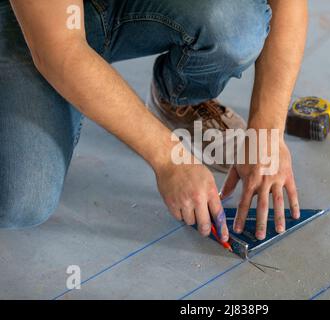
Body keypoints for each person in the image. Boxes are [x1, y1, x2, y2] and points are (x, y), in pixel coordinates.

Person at [0, 0, 308, 242]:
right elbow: (61, 48)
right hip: (35, 20)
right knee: (21, 198)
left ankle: (178, 99)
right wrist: (169, 159)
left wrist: (267, 131)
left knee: (236, 22)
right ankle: (72, 88)